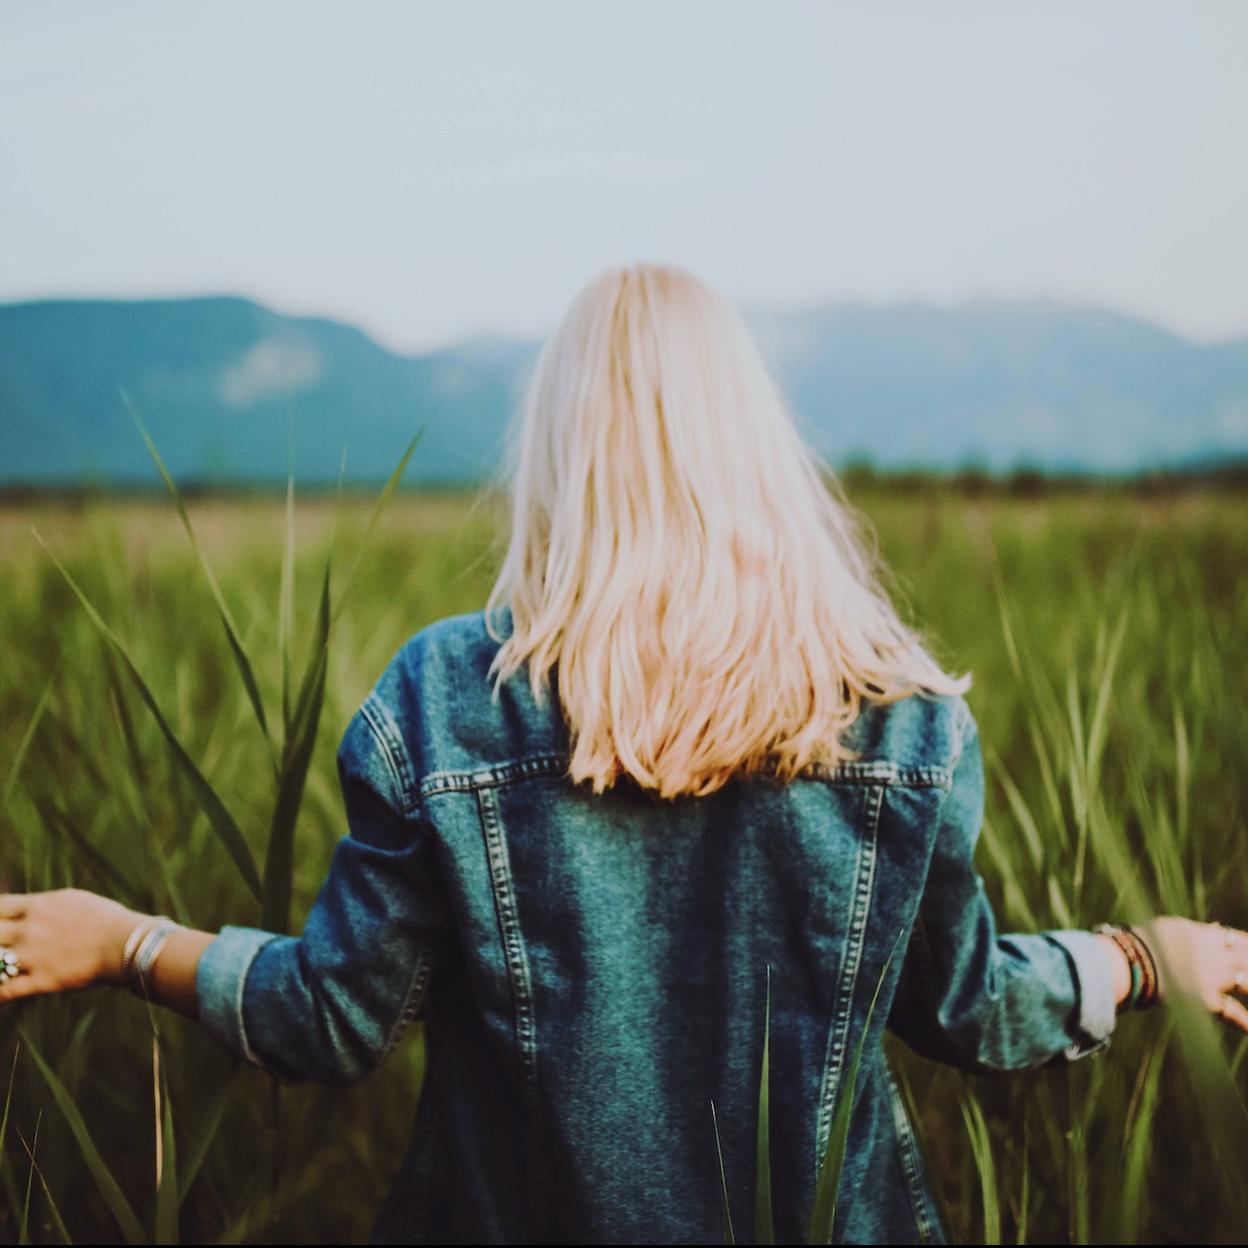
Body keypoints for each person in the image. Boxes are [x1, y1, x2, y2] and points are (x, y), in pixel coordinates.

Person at [0, 263, 1245, 1245]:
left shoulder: (446, 699)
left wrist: (126, 942)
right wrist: (1143, 960)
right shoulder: (900, 716)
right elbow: (964, 1008)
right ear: (755, 449)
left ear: (561, 454)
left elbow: (332, 1020)